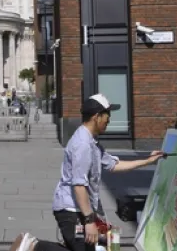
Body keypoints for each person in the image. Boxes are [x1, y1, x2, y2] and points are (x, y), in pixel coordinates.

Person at [17, 94, 164, 251]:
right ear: (96, 116)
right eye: (107, 115)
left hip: (80, 208)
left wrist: (148, 161)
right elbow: (79, 185)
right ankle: (34, 246)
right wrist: (89, 221)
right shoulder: (83, 144)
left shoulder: (91, 141)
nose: (109, 119)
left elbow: (114, 165)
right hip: (71, 210)